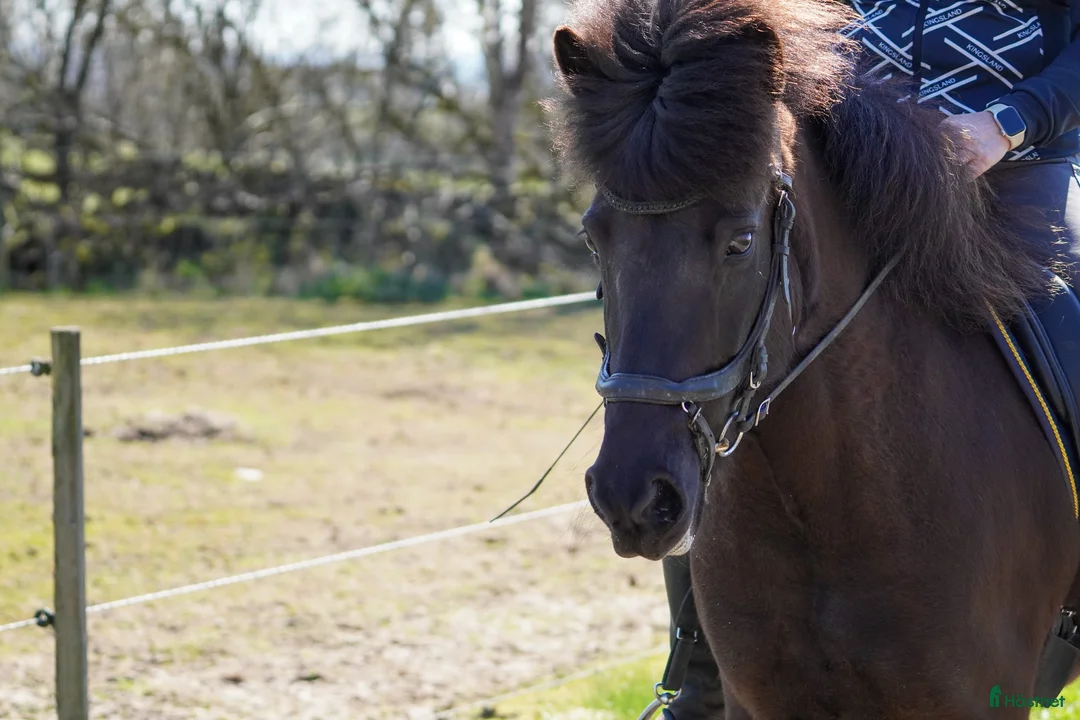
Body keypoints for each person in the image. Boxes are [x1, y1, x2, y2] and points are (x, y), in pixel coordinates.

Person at [664, 0, 1080, 717]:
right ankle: (700, 679)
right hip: (849, 171)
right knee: (698, 374)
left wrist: (1008, 122)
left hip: (1014, 168)